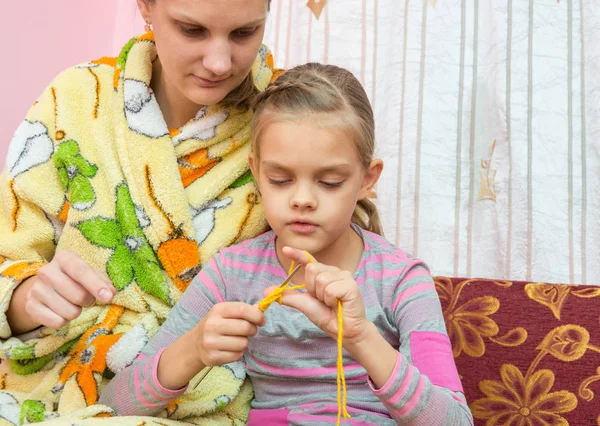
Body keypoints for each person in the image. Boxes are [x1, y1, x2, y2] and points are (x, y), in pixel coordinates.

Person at [100, 63, 474, 425]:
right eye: (280, 179)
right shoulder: (231, 274)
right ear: (257, 172)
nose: (302, 200)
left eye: (329, 182)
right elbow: (112, 407)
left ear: (366, 179)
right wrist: (193, 349)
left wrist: (361, 338)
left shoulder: (401, 279)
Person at [0, 0, 275, 424]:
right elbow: (8, 256)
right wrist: (25, 297)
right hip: (43, 382)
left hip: (194, 397)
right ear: (146, 6)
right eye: (192, 30)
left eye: (244, 33)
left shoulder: (288, 120)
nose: (220, 62)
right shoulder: (75, 98)